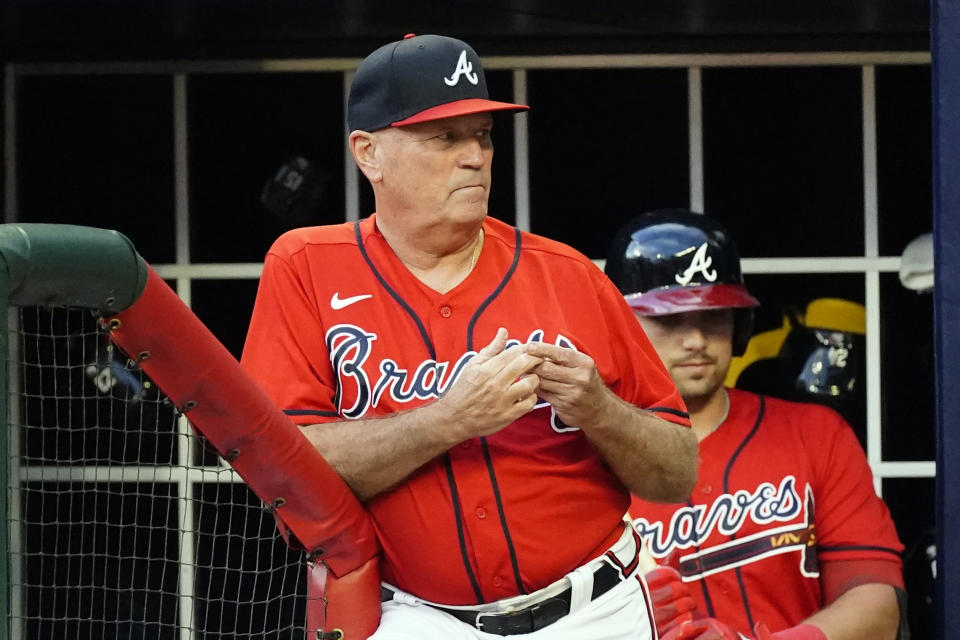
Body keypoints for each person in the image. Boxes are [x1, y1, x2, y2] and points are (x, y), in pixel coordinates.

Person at [240, 34, 698, 639]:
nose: (475, 156)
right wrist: (448, 419)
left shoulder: (569, 273)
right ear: (368, 152)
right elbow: (278, 469)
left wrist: (599, 409)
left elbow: (677, 473)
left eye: (482, 135)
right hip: (423, 618)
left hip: (597, 610)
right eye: (445, 137)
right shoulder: (304, 265)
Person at [604, 209, 907, 640]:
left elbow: (879, 605)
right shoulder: (576, 456)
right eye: (670, 320)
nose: (696, 339)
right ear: (621, 327)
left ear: (740, 324)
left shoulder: (815, 433)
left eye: (713, 316)